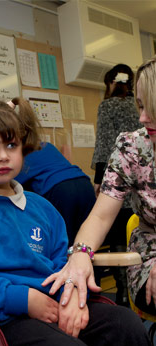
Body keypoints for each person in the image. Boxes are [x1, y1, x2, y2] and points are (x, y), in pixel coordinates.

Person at [0, 97, 156, 346]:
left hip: (57, 302)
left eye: (11, 145)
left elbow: (64, 262)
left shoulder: (42, 208)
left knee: (124, 326)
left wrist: (74, 296)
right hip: (1, 319)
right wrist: (23, 299)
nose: (2, 156)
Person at [45, 55, 156, 318]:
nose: (141, 117)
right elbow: (100, 216)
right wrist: (81, 254)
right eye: (139, 106)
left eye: (150, 107)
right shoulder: (132, 147)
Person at [13, 97, 96, 247]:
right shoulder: (46, 145)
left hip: (60, 191)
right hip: (84, 185)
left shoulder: (19, 154)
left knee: (63, 242)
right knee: (85, 241)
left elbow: (13, 188)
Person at [91, 64, 142, 305]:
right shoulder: (137, 107)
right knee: (138, 231)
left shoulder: (108, 106)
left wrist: (99, 181)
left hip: (117, 180)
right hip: (142, 183)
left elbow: (104, 145)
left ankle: (123, 293)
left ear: (111, 82)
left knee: (118, 235)